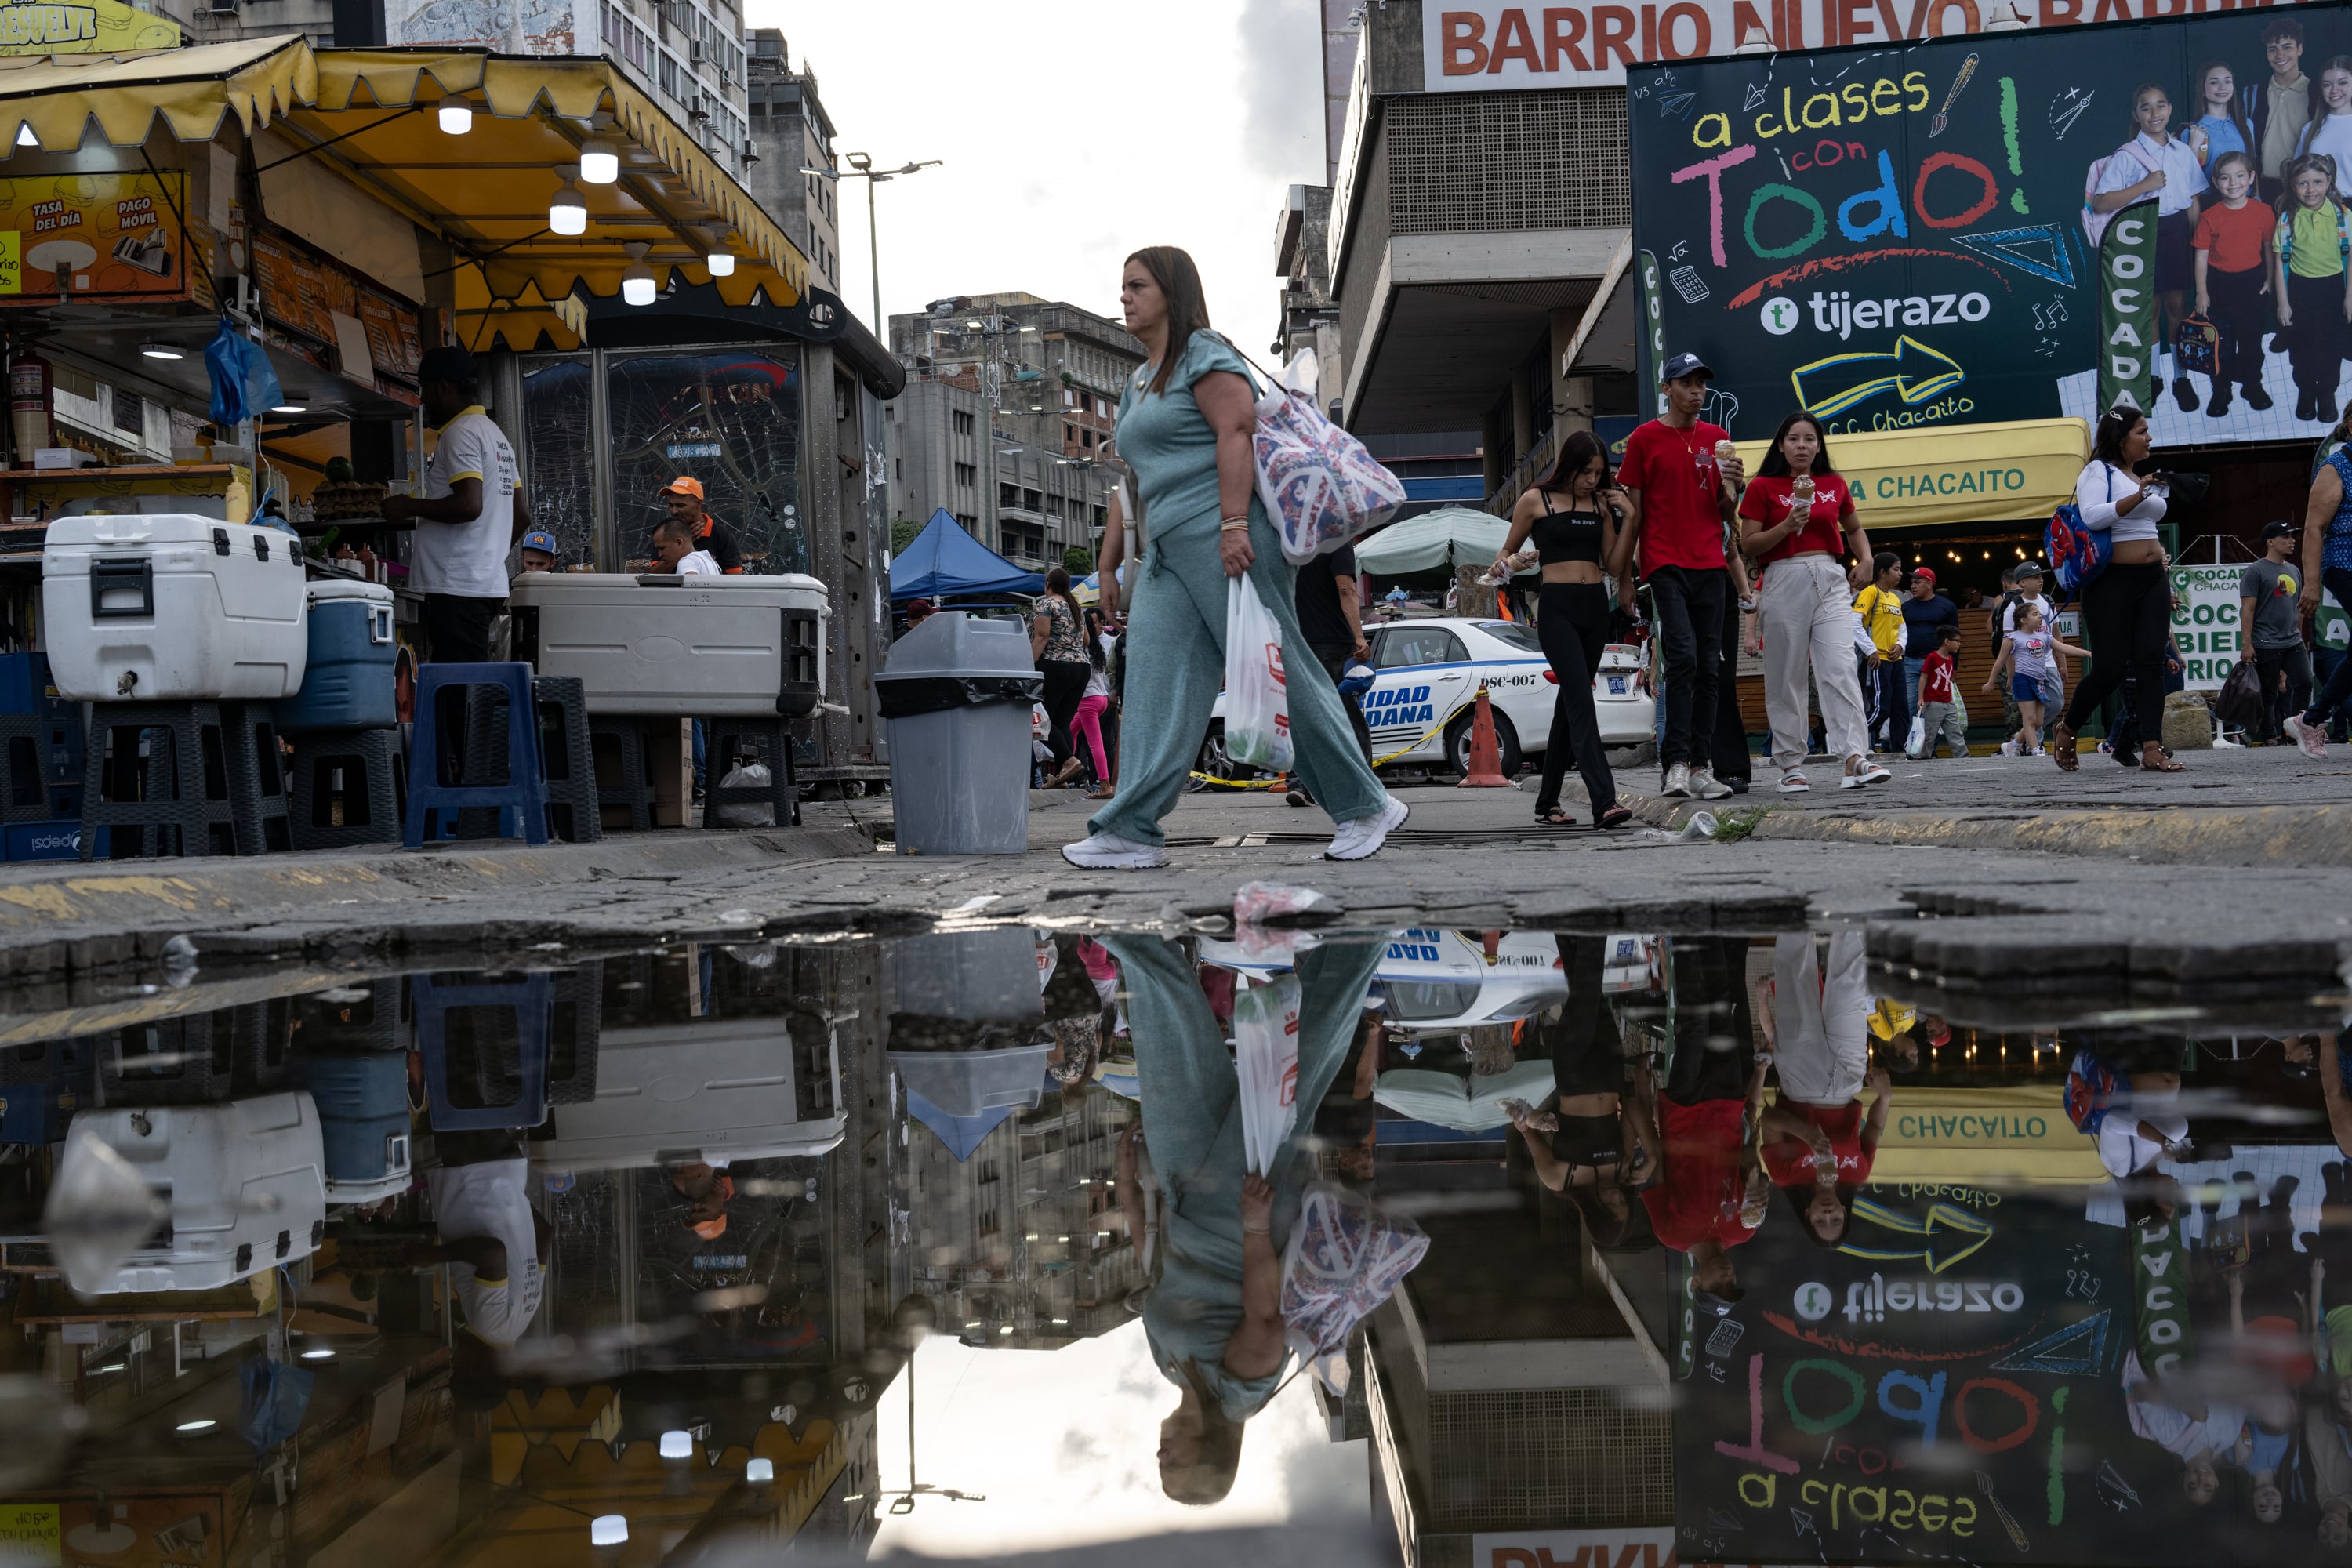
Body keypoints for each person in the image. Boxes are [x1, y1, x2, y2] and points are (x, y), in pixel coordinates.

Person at [1062, 248, 1405, 869]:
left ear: (1171, 291)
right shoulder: (1140, 380)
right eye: (1123, 286)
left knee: (1283, 670)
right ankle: (1132, 828)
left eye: (1136, 286)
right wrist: (1109, 563)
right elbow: (1133, 479)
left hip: (1227, 538)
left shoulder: (1205, 353)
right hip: (1166, 550)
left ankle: (1365, 805)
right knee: (1154, 683)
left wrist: (1234, 525)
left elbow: (1237, 431)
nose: (1124, 297)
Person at [1104, 933, 1385, 1504]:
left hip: (1186, 1194)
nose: (1161, 1459)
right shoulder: (1240, 1396)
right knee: (1307, 1055)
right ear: (1210, 1454)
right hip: (1247, 1204)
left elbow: (1156, 1268)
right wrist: (1256, 1225)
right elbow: (1264, 1317)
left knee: (1168, 1048)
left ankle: (1128, 930)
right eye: (1175, 1467)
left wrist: (1131, 1188)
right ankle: (1366, 929)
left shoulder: (1171, 1369)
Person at [1610, 350, 1745, 802]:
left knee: (1711, 666)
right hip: (1665, 562)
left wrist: (1733, 484)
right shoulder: (1645, 439)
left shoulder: (1718, 438)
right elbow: (1634, 513)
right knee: (1683, 657)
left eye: (1702, 384)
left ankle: (1703, 766)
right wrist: (1626, 577)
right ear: (1666, 388)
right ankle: (1675, 765)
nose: (1697, 391)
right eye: (1686, 383)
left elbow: (1727, 513)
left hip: (1711, 562)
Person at [1492, 427, 1634, 829]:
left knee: (1567, 708)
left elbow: (1616, 566)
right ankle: (1605, 801)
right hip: (1557, 610)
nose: (1592, 480)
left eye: (1598, 473)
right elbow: (1505, 552)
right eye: (1585, 472)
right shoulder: (1534, 500)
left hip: (1594, 609)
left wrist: (1631, 517)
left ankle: (1547, 801)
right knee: (1580, 699)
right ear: (1568, 465)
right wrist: (1510, 563)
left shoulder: (1601, 505)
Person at [1737, 411, 1880, 793]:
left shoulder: (1833, 483)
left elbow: (1853, 526)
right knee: (1787, 676)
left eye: (1810, 439)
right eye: (1794, 439)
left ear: (1819, 445)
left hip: (1830, 576)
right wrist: (1785, 526)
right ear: (1781, 445)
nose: (1802, 446)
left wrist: (1865, 558)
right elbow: (1747, 544)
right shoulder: (1762, 487)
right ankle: (1791, 764)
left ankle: (1854, 757)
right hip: (1782, 576)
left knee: (1840, 666)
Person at [1624, 938, 1766, 1311]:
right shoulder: (1746, 1228)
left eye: (1717, 1285)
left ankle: (1685, 937)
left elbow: (1656, 1163)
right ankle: (1711, 931)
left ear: (1696, 1281)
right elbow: (1749, 1160)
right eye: (1731, 1284)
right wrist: (1758, 1183)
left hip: (1684, 1111)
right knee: (1721, 1007)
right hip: (1726, 1104)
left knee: (1694, 1023)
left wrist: (1643, 1093)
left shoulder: (1671, 1234)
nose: (1727, 1277)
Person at [2053, 408, 2184, 773]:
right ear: (2121, 436)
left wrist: (2143, 491)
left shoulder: (2134, 476)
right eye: (2142, 431)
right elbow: (2093, 515)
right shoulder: (2098, 472)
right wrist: (2139, 495)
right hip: (2111, 582)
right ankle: (2068, 729)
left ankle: (2153, 749)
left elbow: (2150, 521)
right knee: (2109, 670)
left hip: (2152, 580)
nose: (2149, 438)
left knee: (2151, 664)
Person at [381, 346, 530, 662]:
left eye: (425, 390)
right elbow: (522, 515)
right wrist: (489, 556)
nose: (423, 400)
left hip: (458, 588)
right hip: (483, 584)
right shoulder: (496, 436)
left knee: (458, 689)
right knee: (466, 683)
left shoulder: (460, 433)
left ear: (443, 387)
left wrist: (410, 506)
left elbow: (468, 506)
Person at [1508, 935, 1654, 1247]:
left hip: (1574, 1072)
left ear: (1595, 1212)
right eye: (1623, 1204)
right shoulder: (1623, 1168)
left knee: (1586, 986)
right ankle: (1566, 916)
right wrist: (1652, 1152)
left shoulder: (1559, 1179)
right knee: (1586, 988)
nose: (1617, 1197)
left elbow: (1524, 1129)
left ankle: (1592, 920)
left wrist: (1531, 1119)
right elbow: (1630, 1108)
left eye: (1611, 1206)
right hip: (1609, 1069)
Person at [1754, 932, 1889, 1247]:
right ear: (1845, 1210)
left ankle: (1797, 908)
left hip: (1800, 1083)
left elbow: (1768, 1119)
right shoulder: (1858, 1175)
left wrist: (1807, 1134)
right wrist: (1885, 1096)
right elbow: (1877, 1126)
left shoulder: (1785, 1176)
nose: (1827, 1214)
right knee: (1850, 985)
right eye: (1836, 1219)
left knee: (1796, 979)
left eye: (1820, 1221)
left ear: (1806, 1215)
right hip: (1847, 1082)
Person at [2089, 84, 2207, 410]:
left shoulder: (2182, 153)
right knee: (2149, 311)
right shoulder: (2126, 155)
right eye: (2146, 107)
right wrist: (2145, 185)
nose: (2154, 113)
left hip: (2179, 233)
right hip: (2142, 236)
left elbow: (2194, 201)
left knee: (2178, 308)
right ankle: (2153, 377)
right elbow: (2101, 203)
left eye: (2160, 106)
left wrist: (2197, 244)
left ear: (2170, 109)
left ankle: (2182, 377)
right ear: (2136, 115)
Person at [2193, 151, 2278, 416]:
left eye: (2240, 176)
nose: (2233, 183)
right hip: (2219, 286)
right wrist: (2202, 293)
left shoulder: (2263, 212)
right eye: (2226, 178)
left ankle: (2252, 385)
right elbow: (2201, 257)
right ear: (2216, 183)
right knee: (2222, 344)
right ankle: (2221, 390)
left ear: (2251, 177)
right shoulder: (2210, 216)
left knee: (2251, 342)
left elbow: (2269, 249)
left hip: (2252, 284)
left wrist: (2270, 278)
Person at [2271, 153, 2352, 424]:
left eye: (2317, 182)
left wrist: (2350, 296)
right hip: (2300, 290)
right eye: (2303, 183)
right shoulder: (2286, 219)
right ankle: (2306, 391)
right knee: (2301, 345)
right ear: (2292, 186)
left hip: (2334, 289)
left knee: (2331, 346)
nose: (2311, 190)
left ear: (2329, 181)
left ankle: (2327, 393)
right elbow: (2279, 261)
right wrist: (2283, 302)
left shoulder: (2343, 216)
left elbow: (2351, 257)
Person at [1292, 536, 1375, 800]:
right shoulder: (1337, 540)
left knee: (1308, 719)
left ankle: (1304, 785)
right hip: (1334, 644)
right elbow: (1345, 589)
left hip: (1297, 644)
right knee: (1349, 718)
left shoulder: (1291, 539)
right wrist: (1359, 637)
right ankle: (1362, 784)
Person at [2288, 428, 2352, 754]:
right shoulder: (2337, 466)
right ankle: (2311, 719)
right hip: (2345, 563)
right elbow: (2314, 527)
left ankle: (2311, 719)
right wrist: (2311, 582)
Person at [2240, 520, 2312, 745]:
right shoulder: (2255, 570)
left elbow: (2298, 608)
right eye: (2286, 537)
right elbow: (2248, 610)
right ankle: (2270, 736)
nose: (2292, 541)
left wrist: (2300, 635)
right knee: (2269, 692)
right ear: (2270, 542)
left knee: (2305, 682)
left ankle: (2297, 730)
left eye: (2293, 536)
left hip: (2292, 641)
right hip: (2265, 640)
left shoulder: (2294, 570)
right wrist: (2247, 644)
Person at [1985, 603, 2087, 757]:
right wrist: (1991, 682)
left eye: (2039, 613)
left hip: (2039, 682)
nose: (2040, 616)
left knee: (2039, 722)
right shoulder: (2012, 638)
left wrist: (2089, 653)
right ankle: (2035, 750)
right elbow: (2000, 661)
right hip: (2023, 681)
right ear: (2023, 621)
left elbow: (2063, 648)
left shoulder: (2044, 636)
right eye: (2035, 614)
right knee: (2030, 719)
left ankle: (2013, 745)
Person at [1032, 565, 1092, 789]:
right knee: (1061, 722)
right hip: (1081, 668)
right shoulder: (1075, 607)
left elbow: (1041, 636)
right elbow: (1086, 640)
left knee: (1041, 720)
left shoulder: (1046, 604)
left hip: (1055, 666)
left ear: (1048, 583)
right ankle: (1063, 776)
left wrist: (1029, 666)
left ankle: (1069, 761)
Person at [2256, 17, 2318, 207]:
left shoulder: (2315, 92)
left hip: (2305, 187)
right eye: (2272, 49)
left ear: (2300, 49)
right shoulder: (2254, 93)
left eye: (2287, 47)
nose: (2279, 55)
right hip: (2265, 187)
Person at [1853, 554, 1908, 750]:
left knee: (1901, 709)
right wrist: (1871, 649)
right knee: (1881, 709)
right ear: (1882, 572)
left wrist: (1901, 645)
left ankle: (1899, 752)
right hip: (1877, 661)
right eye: (1896, 569)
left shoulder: (1895, 598)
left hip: (1896, 660)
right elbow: (1854, 623)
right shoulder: (1870, 592)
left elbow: (1902, 628)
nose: (1900, 573)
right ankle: (1849, 740)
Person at [1897, 565, 1958, 715]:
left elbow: (1954, 637)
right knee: (1910, 706)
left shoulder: (1947, 606)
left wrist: (1954, 666)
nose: (1912, 586)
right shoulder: (1905, 607)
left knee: (1935, 707)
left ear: (1929, 584)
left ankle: (1931, 739)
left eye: (1917, 582)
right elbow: (1898, 634)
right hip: (1910, 661)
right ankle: (1910, 739)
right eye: (1912, 583)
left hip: (1937, 663)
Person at [652, 476, 742, 572]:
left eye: (680, 505)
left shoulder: (721, 536)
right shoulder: (665, 533)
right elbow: (653, 577)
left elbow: (736, 579)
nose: (674, 511)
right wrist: (683, 544)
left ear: (698, 503)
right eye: (671, 505)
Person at [1073, 606, 1116, 797]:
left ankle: (1105, 786)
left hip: (1089, 701)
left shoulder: (1082, 648)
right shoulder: (1097, 647)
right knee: (1069, 732)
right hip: (1101, 698)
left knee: (1095, 744)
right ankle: (1064, 772)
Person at [2296, 57, 2352, 198]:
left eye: (2343, 83)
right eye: (2327, 85)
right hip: (2315, 206)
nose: (2334, 90)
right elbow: (2297, 173)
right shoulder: (2310, 129)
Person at [2187, 60, 2254, 170]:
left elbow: (2251, 168)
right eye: (2214, 82)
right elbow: (2186, 175)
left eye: (2228, 81)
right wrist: (2193, 148)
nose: (2222, 87)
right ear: (2202, 88)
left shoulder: (2247, 125)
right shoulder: (2192, 131)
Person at [1915, 624, 1968, 758]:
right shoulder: (1932, 657)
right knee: (1930, 733)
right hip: (1934, 703)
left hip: (1948, 702)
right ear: (1947, 641)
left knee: (1955, 731)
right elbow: (1924, 677)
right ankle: (1923, 756)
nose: (1959, 644)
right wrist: (1921, 698)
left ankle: (1962, 755)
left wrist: (1951, 699)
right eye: (1957, 640)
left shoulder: (1950, 659)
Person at [649, 515, 720, 575]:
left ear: (679, 543)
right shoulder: (709, 561)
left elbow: (692, 585)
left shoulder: (687, 562)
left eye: (662, 548)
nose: (660, 555)